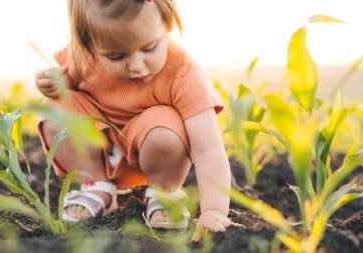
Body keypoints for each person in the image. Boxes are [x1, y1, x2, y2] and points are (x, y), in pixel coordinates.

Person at [35, 0, 241, 241]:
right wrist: (53, 82)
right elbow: (71, 82)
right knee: (56, 110)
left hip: (155, 149)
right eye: (116, 56)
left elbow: (208, 149)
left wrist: (214, 211)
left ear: (168, 23)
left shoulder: (185, 73)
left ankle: (163, 192)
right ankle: (96, 186)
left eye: (149, 48)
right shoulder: (85, 55)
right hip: (98, 146)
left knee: (165, 128)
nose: (136, 66)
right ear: (89, 45)